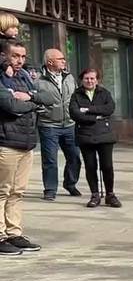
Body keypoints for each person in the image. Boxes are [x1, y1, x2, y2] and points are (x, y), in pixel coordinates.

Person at [0, 39, 53, 255]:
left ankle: (14, 233)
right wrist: (34, 105)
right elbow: (10, 105)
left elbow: (48, 98)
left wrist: (29, 97)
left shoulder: (24, 76)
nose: (20, 60)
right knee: (2, 191)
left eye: (23, 56)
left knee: (18, 192)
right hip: (6, 142)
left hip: (27, 142)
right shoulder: (1, 77)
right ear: (5, 55)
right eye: (15, 56)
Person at [34, 48, 82, 200]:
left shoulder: (69, 77)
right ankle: (50, 189)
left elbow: (75, 96)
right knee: (50, 160)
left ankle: (70, 183)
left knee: (74, 157)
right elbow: (32, 98)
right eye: (60, 59)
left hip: (70, 124)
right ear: (50, 62)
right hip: (48, 125)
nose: (64, 61)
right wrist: (42, 110)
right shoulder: (38, 80)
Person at [69, 68, 120, 208]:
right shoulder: (76, 95)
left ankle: (110, 194)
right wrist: (96, 117)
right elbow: (74, 113)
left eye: (92, 78)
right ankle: (95, 195)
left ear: (97, 80)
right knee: (91, 166)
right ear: (82, 80)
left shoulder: (104, 93)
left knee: (107, 166)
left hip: (105, 135)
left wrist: (88, 110)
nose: (89, 81)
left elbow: (109, 109)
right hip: (85, 135)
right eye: (86, 78)